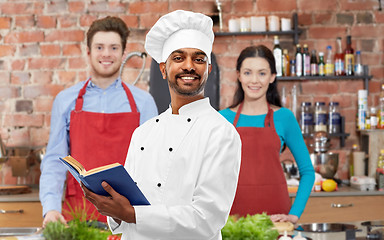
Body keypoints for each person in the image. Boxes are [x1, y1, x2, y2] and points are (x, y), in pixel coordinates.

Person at [81, 10, 242, 240]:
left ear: (208, 68)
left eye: (198, 59)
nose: (189, 66)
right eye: (178, 58)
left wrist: (132, 214)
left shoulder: (221, 133)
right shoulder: (144, 133)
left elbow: (207, 220)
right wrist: (114, 210)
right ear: (163, 69)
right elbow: (126, 213)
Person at [39, 16, 158, 227]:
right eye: (99, 47)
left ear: (122, 53)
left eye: (113, 47)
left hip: (128, 218)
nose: (106, 54)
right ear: (88, 52)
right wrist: (50, 208)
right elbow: (54, 161)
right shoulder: (65, 101)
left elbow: (153, 164)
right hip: (78, 216)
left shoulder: (143, 103)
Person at [219, 45, 315, 224]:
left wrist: (293, 215)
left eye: (262, 73)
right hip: (233, 217)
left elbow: (308, 172)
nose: (254, 80)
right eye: (248, 73)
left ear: (272, 77)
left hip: (276, 216)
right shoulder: (222, 119)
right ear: (239, 75)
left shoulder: (284, 118)